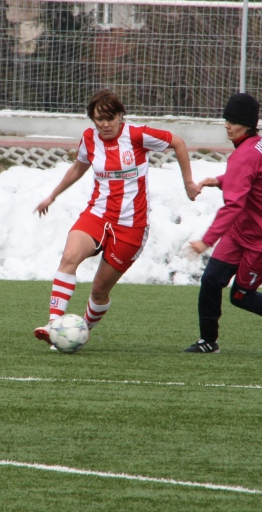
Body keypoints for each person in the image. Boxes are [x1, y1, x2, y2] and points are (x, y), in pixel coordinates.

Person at [33, 89, 201, 346]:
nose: (104, 124)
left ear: (121, 116)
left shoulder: (137, 135)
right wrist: (52, 195)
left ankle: (79, 332)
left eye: (110, 118)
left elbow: (178, 142)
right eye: (99, 119)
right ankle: (54, 323)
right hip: (97, 214)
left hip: (132, 225)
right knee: (69, 256)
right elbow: (79, 166)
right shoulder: (89, 139)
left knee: (100, 291)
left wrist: (188, 183)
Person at [184, 93, 262, 354]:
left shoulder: (245, 154)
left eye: (232, 121)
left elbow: (234, 204)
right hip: (241, 232)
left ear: (247, 124)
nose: (227, 125)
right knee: (211, 279)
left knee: (240, 296)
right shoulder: (260, 144)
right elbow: (249, 177)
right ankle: (208, 341)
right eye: (226, 119)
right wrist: (220, 180)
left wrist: (206, 240)